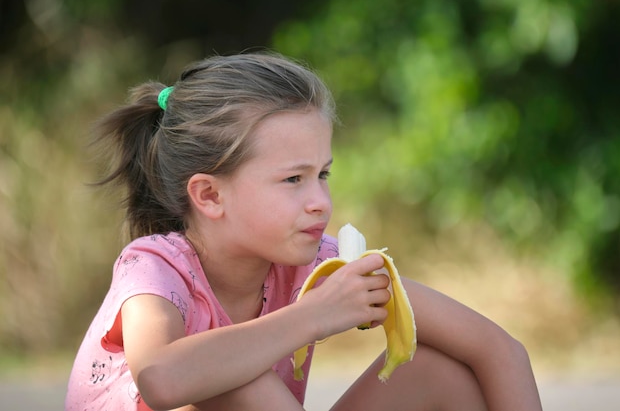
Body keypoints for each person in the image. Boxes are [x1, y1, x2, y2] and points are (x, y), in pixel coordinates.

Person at [65, 51, 543, 411]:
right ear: (210, 196)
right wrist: (313, 316)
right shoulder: (154, 266)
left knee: (447, 373)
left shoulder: (318, 268)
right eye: (293, 179)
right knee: (240, 381)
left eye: (323, 175)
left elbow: (499, 349)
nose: (320, 201)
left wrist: (325, 303)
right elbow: (161, 379)